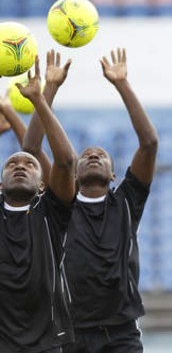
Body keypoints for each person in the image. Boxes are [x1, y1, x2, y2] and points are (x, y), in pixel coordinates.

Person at [23, 48, 158, 353]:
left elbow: (149, 143)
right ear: (73, 172)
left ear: (114, 175)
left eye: (102, 155)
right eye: (86, 155)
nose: (94, 155)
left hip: (121, 333)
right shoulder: (61, 204)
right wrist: (48, 90)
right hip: (70, 332)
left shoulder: (126, 202)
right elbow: (32, 147)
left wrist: (122, 83)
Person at [0, 57, 77, 352]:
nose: (20, 165)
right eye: (12, 163)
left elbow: (67, 161)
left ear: (43, 185)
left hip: (45, 342)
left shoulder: (51, 213)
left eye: (30, 165)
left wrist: (44, 95)